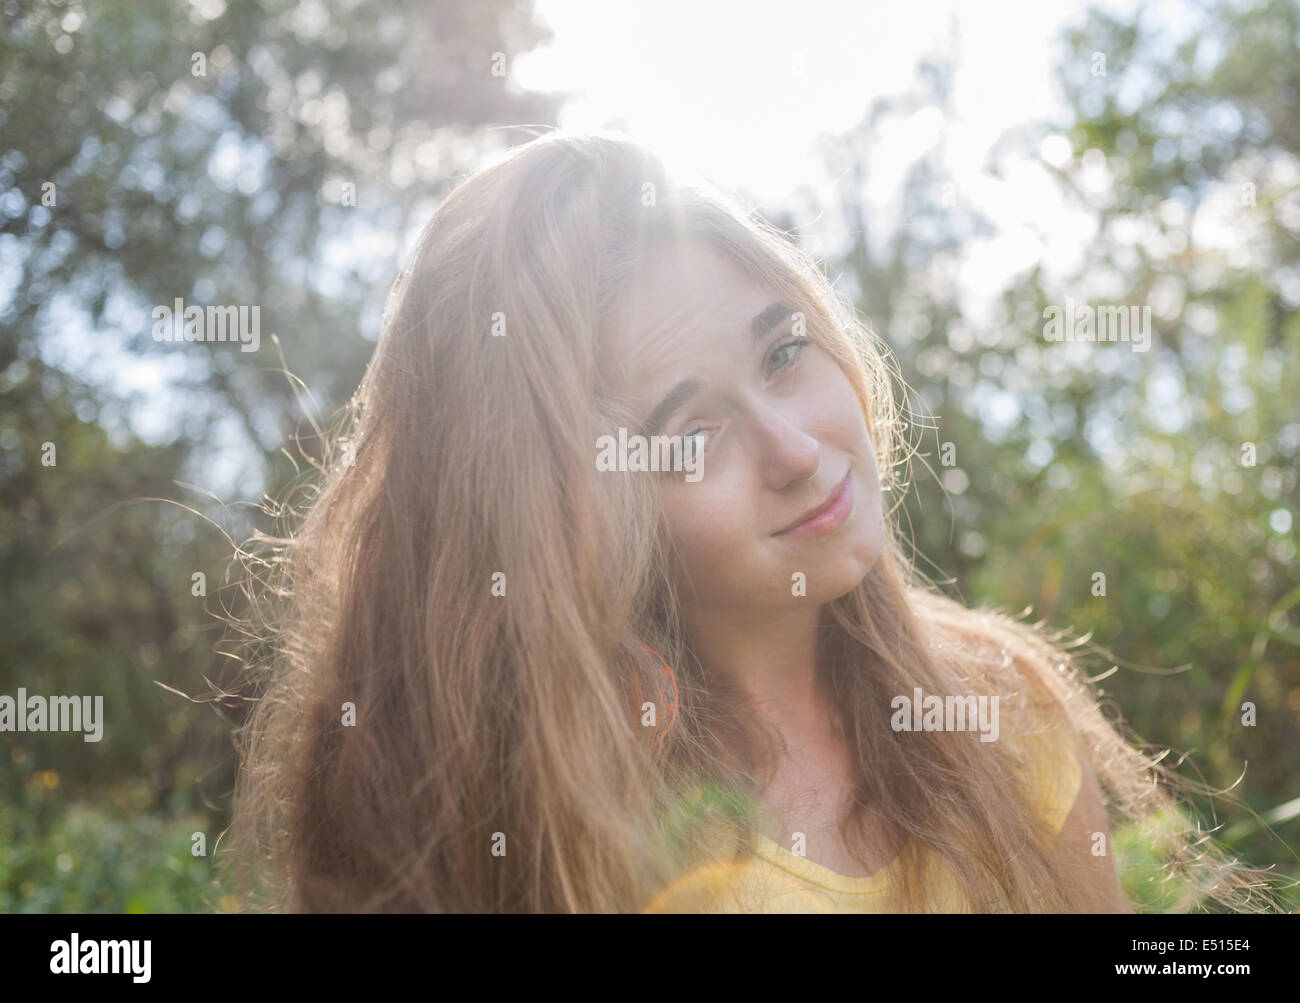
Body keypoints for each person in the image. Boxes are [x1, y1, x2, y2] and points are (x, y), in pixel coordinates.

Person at [224, 130, 1282, 913]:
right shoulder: (561, 825)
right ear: (570, 522)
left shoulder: (1006, 706)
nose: (795, 449)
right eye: (691, 437)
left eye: (783, 352)